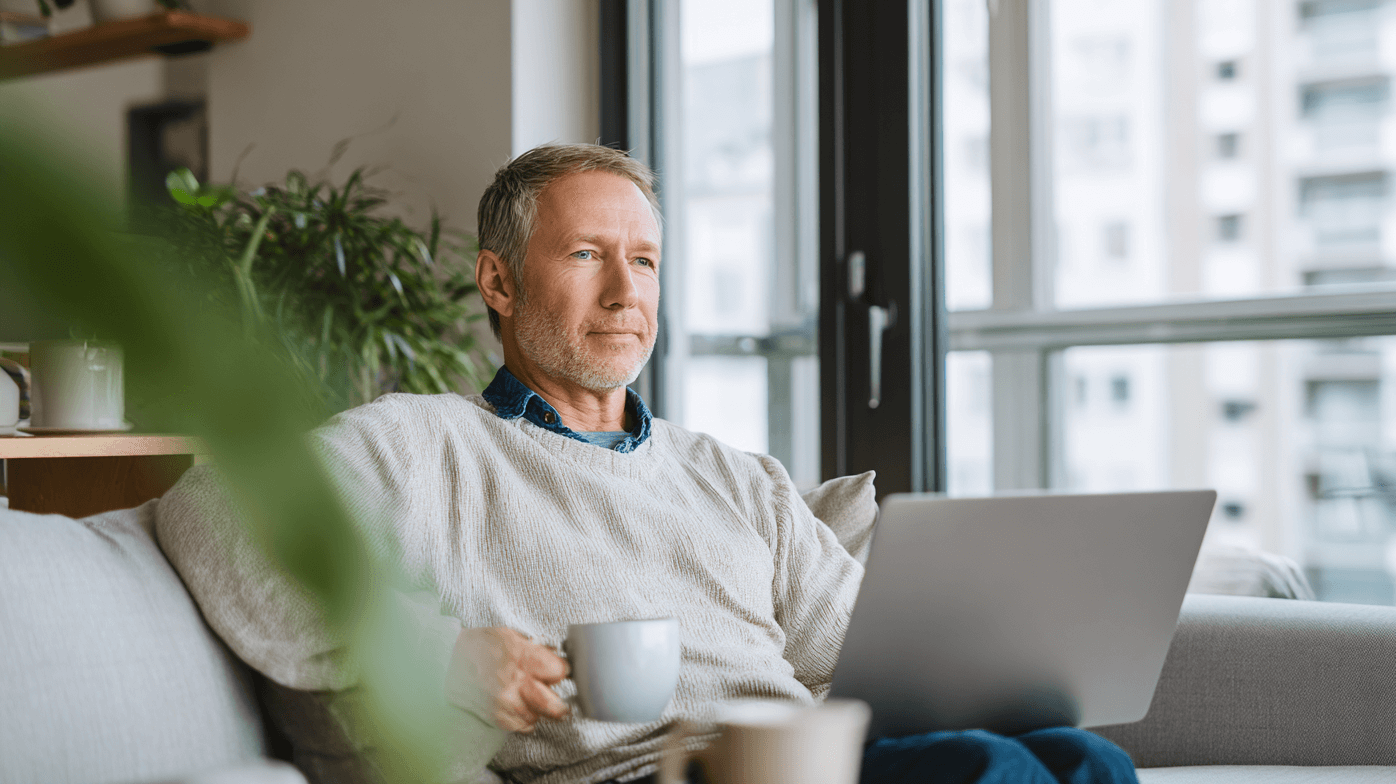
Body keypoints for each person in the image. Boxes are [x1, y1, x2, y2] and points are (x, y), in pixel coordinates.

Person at [158, 143, 1136, 784]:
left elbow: (858, 654)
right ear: (498, 281)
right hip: (649, 776)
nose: (627, 292)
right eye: (588, 255)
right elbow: (217, 507)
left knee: (1080, 759)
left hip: (805, 760)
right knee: (990, 773)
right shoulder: (426, 444)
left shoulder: (737, 479)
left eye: (646, 260)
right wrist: (440, 654)